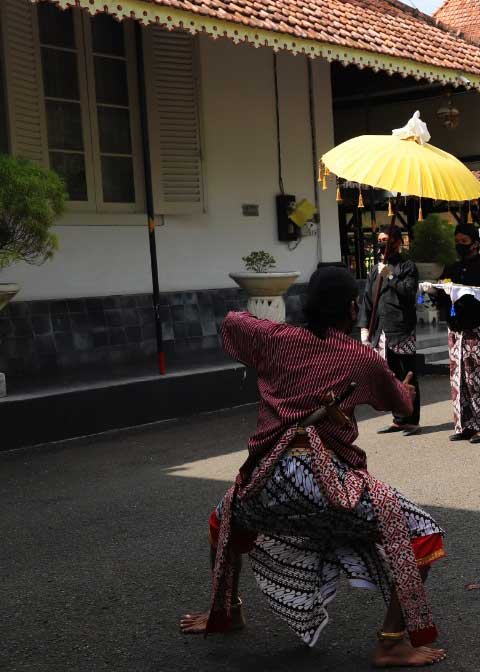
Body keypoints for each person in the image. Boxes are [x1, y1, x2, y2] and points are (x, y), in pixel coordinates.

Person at [180, 267, 447, 667]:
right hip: (330, 488)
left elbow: (234, 322)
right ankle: (391, 642)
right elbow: (402, 406)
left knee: (223, 521)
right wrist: (406, 393)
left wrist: (274, 332)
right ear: (353, 306)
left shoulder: (276, 339)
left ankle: (227, 611)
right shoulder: (361, 358)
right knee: (423, 534)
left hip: (265, 483)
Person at [426, 223, 480, 443]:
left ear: (475, 244)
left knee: (478, 377)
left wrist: (461, 292)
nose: (460, 245)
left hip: (476, 326)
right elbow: (440, 296)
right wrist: (434, 290)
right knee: (459, 378)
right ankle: (465, 424)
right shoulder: (451, 268)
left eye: (464, 242)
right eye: (457, 241)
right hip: (455, 329)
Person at [358, 226, 420, 433]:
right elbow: (367, 299)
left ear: (396, 242)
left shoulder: (407, 266)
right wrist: (364, 328)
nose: (382, 244)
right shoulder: (375, 269)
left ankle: (411, 418)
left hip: (401, 328)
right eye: (380, 240)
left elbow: (409, 292)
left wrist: (392, 277)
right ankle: (399, 417)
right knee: (390, 375)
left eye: (386, 240)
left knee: (407, 373)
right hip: (381, 328)